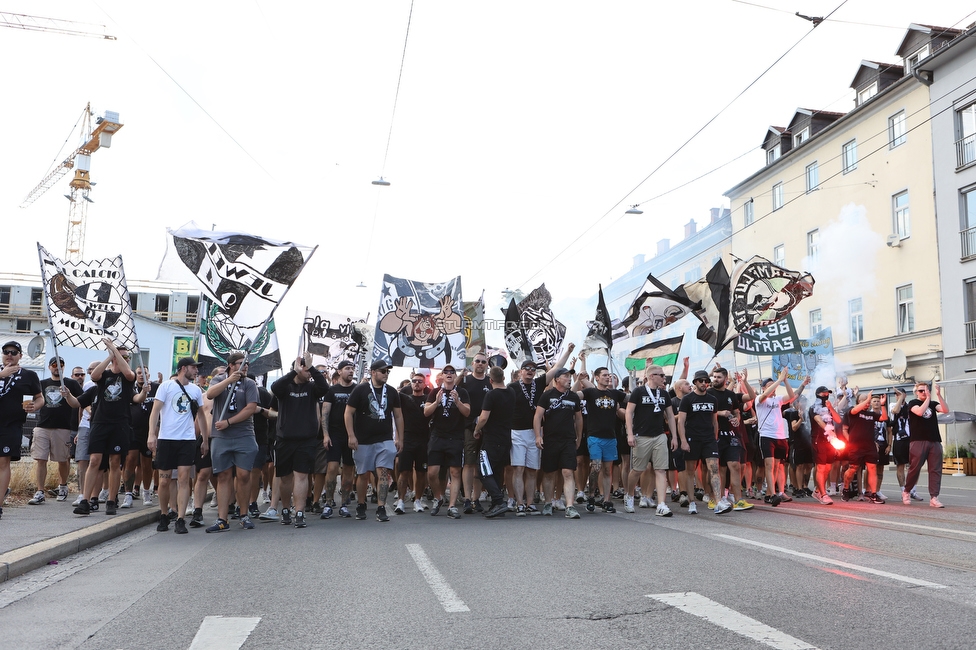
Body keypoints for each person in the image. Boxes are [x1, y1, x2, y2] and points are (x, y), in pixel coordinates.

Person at [73, 340, 136, 516]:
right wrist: (110, 355)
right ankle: (85, 500)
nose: (121, 358)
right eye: (120, 356)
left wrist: (116, 351)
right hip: (100, 422)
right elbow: (94, 376)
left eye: (125, 356)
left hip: (119, 424)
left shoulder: (127, 376)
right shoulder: (105, 375)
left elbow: (129, 374)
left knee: (115, 462)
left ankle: (111, 501)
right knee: (94, 460)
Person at [508, 345, 573, 515]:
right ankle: (519, 503)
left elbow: (557, 369)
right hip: (516, 432)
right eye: (526, 369)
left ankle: (530, 503)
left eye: (533, 369)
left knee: (532, 470)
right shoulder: (512, 387)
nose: (530, 371)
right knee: (519, 469)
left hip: (534, 433)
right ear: (520, 372)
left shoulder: (538, 383)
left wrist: (568, 351)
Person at [148, 357, 207, 534]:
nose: (196, 371)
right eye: (193, 367)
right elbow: (155, 412)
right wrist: (152, 434)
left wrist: (205, 439)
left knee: (183, 479)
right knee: (164, 481)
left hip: (187, 440)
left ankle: (181, 518)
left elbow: (202, 415)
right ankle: (165, 514)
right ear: (183, 368)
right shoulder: (166, 386)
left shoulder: (196, 390)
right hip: (167, 439)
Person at [271, 353, 329, 528]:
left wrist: (311, 367)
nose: (309, 372)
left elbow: (324, 387)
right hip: (285, 439)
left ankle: (300, 512)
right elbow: (275, 387)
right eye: (306, 368)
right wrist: (292, 372)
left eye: (310, 368)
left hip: (306, 440)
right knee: (285, 477)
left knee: (301, 476)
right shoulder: (284, 387)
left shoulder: (313, 388)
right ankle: (286, 509)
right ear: (296, 369)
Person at [205, 352, 259, 532]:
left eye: (247, 365)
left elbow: (251, 408)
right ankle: (222, 519)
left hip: (243, 435)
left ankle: (244, 514)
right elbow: (210, 394)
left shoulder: (250, 383)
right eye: (241, 364)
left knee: (244, 475)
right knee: (223, 476)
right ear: (231, 365)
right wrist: (229, 380)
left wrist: (229, 422)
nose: (245, 367)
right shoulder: (218, 380)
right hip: (221, 437)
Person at [345, 359, 403, 522]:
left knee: (383, 472)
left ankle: (381, 506)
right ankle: (361, 504)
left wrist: (399, 437)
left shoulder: (391, 392)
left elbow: (398, 416)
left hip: (384, 439)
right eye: (383, 371)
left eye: (387, 372)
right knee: (363, 474)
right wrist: (351, 435)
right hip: (363, 440)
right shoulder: (360, 390)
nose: (386, 374)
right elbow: (348, 413)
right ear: (373, 372)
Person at [28, 356, 82, 505]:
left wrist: (79, 426)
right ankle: (40, 491)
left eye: (60, 365)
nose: (57, 367)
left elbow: (81, 403)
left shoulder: (71, 383)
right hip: (42, 425)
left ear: (64, 367)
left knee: (63, 459)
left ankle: (63, 486)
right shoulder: (42, 383)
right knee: (40, 459)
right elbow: (35, 399)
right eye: (54, 365)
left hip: (63, 426)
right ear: (49, 367)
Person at [750, 368, 807, 507]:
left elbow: (792, 396)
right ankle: (773, 494)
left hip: (780, 436)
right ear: (763, 388)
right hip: (766, 435)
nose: (773, 388)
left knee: (776, 466)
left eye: (774, 386)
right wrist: (779, 380)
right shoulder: (759, 399)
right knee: (769, 465)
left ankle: (770, 494)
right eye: (769, 386)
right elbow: (765, 396)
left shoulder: (778, 399)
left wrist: (785, 381)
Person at [624, 364, 677, 517]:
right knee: (638, 470)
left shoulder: (664, 394)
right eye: (661, 375)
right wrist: (630, 434)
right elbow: (629, 412)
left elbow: (670, 416)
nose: (664, 378)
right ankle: (630, 494)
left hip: (659, 435)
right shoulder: (638, 391)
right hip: (641, 436)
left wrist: (674, 436)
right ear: (652, 376)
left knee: (660, 470)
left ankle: (661, 504)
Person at [677, 370, 730, 515]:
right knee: (690, 471)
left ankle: (718, 501)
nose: (703, 383)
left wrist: (714, 438)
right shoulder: (687, 399)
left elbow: (714, 421)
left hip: (709, 439)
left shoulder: (713, 399)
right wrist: (683, 440)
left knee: (714, 469)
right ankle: (692, 501)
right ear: (695, 382)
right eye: (700, 381)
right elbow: (681, 422)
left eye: (706, 381)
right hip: (692, 438)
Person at [0, 341, 42, 520]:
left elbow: (40, 398)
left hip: (12, 425)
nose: (10, 355)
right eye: (6, 352)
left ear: (20, 355)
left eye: (14, 352)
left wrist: (35, 406)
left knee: (3, 462)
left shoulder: (29, 375)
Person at [534, 367, 583, 519]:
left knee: (568, 472)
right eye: (566, 376)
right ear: (557, 379)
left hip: (568, 440)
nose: (569, 379)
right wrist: (538, 436)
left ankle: (569, 505)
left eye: (570, 376)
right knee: (549, 473)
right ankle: (548, 503)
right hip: (550, 439)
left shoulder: (574, 397)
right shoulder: (547, 396)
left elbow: (579, 418)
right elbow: (537, 416)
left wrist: (579, 437)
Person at [577, 364, 625, 514]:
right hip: (594, 436)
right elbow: (574, 395)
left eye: (609, 375)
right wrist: (578, 380)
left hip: (610, 437)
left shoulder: (615, 394)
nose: (608, 377)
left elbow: (632, 398)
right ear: (597, 377)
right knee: (596, 467)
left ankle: (606, 499)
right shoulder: (591, 392)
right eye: (604, 375)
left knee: (607, 470)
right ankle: (591, 496)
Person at [423, 364, 470, 518]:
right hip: (437, 436)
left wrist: (458, 402)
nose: (449, 374)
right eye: (446, 372)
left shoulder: (461, 392)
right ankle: (438, 497)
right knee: (432, 472)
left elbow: (467, 412)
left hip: (455, 437)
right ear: (442, 375)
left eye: (452, 372)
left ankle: (452, 506)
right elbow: (426, 412)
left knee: (455, 472)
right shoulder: (435, 392)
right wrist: (436, 403)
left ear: (455, 375)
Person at [473, 365, 514, 518]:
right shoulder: (511, 393)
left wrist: (476, 430)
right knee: (496, 472)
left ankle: (498, 500)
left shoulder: (491, 395)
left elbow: (483, 418)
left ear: (490, 380)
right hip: (506, 438)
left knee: (483, 471)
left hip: (491, 439)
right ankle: (497, 505)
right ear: (503, 378)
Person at [708, 367, 750, 511]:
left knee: (735, 466)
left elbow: (736, 411)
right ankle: (717, 499)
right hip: (715, 436)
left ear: (726, 379)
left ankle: (738, 500)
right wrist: (720, 413)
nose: (715, 379)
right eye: (714, 376)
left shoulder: (731, 395)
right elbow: (706, 411)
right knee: (720, 469)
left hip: (731, 435)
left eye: (719, 377)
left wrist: (736, 420)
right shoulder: (708, 393)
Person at [902, 381, 949, 507]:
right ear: (916, 392)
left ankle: (934, 497)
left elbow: (945, 410)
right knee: (915, 468)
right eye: (921, 391)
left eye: (926, 390)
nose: (924, 392)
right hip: (918, 440)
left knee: (935, 470)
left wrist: (938, 395)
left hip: (934, 440)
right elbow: (919, 412)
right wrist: (927, 398)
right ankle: (907, 491)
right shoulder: (913, 403)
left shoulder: (933, 404)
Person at [321, 360, 357, 518]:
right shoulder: (332, 390)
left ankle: (344, 503)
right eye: (347, 368)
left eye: (352, 368)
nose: (350, 371)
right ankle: (329, 503)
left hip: (352, 436)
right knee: (332, 468)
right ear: (339, 371)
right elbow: (325, 413)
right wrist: (326, 434)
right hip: (335, 435)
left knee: (349, 470)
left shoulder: (358, 389)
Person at [460, 352, 491, 514]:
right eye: (477, 361)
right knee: (469, 463)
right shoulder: (465, 381)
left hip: (487, 428)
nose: (480, 363)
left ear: (487, 364)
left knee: (481, 465)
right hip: (469, 428)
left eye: (483, 362)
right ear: (472, 363)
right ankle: (466, 498)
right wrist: (459, 376)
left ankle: (476, 499)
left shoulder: (490, 382)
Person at [843, 392, 887, 504]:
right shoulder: (853, 412)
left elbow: (884, 417)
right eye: (864, 400)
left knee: (872, 469)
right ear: (858, 402)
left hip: (869, 446)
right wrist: (867, 399)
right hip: (856, 447)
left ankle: (873, 494)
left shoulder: (871, 415)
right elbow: (854, 411)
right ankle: (846, 489)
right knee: (853, 469)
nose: (867, 402)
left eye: (868, 400)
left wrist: (882, 405)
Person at [397, 372, 431, 513]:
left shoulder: (429, 399)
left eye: (419, 381)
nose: (416, 383)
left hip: (424, 440)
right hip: (407, 439)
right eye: (414, 381)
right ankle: (400, 501)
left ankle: (418, 500)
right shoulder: (404, 399)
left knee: (421, 472)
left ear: (424, 384)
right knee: (404, 471)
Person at [809, 386, 842, 505]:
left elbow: (838, 420)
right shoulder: (813, 408)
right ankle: (823, 494)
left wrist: (831, 408)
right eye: (824, 393)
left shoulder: (828, 408)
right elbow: (818, 420)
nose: (826, 395)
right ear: (818, 394)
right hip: (819, 440)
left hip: (830, 441)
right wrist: (829, 431)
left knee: (828, 467)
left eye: (827, 393)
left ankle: (818, 490)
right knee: (821, 467)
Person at [889, 388, 921, 501]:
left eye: (900, 394)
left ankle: (913, 490)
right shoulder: (893, 404)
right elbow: (896, 411)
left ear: (905, 395)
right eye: (896, 394)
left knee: (914, 466)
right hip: (899, 439)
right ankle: (903, 490)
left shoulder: (910, 406)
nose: (898, 396)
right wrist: (900, 397)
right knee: (900, 466)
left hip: (911, 439)